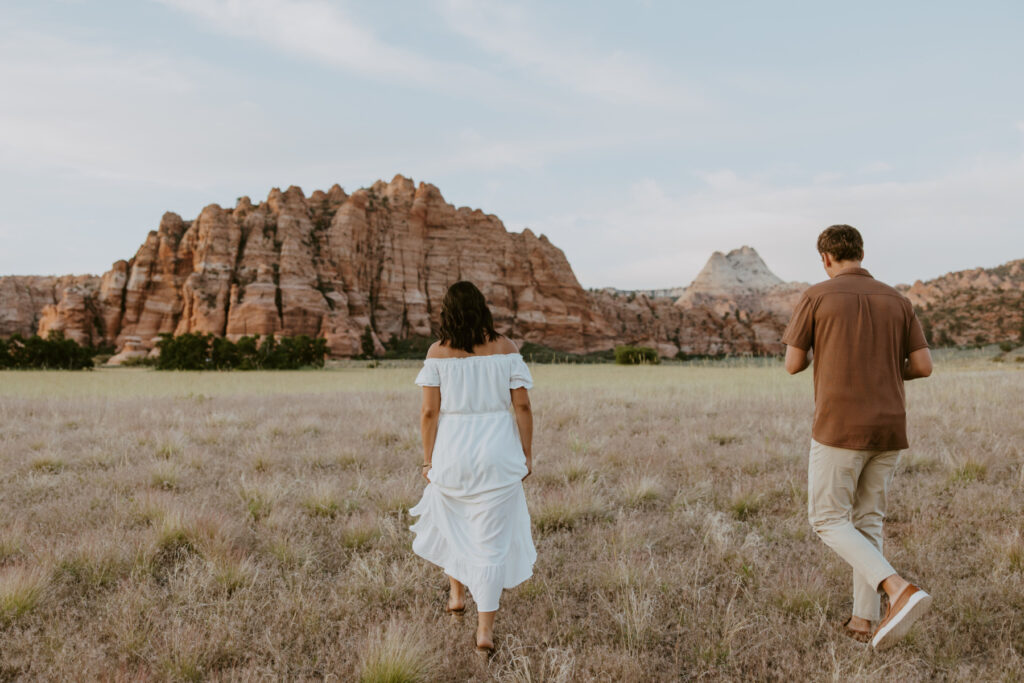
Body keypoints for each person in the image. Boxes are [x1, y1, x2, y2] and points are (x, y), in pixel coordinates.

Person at [782, 225, 933, 650]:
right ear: (861, 254)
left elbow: (793, 364)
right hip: (889, 428)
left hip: (840, 427)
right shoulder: (898, 300)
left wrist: (831, 352)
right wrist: (882, 367)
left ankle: (897, 588)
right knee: (867, 521)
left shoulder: (816, 295)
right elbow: (923, 366)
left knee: (827, 518)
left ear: (826, 259)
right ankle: (863, 621)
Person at [409, 281, 536, 655]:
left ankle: (456, 595)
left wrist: (430, 459)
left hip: (453, 453)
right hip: (498, 454)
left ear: (447, 310)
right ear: (483, 308)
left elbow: (429, 412)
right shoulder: (506, 348)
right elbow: (523, 407)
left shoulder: (437, 352)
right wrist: (526, 454)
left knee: (455, 524)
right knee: (491, 543)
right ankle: (484, 632)